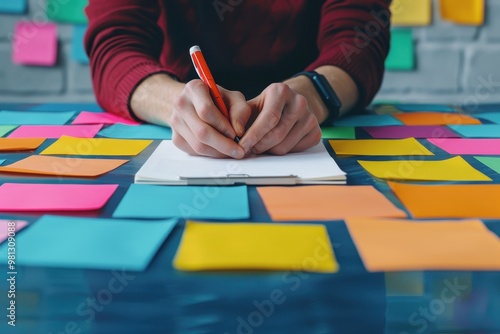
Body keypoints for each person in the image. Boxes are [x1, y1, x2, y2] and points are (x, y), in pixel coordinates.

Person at [85, 1, 390, 159]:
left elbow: (359, 40)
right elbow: (115, 45)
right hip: (176, 115)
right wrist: (174, 103)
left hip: (309, 114)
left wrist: (312, 95)